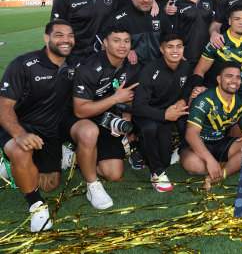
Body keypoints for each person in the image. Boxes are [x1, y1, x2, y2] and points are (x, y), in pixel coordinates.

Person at [0, 20, 76, 232]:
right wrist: (20, 134)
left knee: (49, 184)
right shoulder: (23, 63)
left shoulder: (74, 65)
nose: (66, 40)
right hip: (18, 125)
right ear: (46, 38)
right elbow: (4, 106)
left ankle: (16, 164)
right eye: (59, 35)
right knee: (20, 149)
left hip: (50, 131)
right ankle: (36, 205)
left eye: (70, 36)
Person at [65, 24, 141, 210]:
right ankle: (92, 186)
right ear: (105, 43)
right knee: (90, 132)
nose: (122, 46)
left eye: (126, 41)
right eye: (116, 41)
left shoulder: (130, 66)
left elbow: (128, 99)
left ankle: (73, 157)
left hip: (105, 119)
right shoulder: (89, 68)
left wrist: (125, 121)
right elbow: (80, 111)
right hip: (77, 118)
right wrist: (115, 98)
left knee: (114, 173)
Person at [132, 34, 193, 192]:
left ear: (183, 48)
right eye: (169, 46)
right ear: (161, 49)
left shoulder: (185, 66)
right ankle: (156, 173)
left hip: (166, 116)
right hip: (146, 115)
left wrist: (184, 100)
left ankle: (142, 149)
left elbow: (188, 86)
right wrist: (164, 115)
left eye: (179, 46)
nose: (175, 50)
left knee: (165, 160)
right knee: (150, 130)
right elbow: (138, 106)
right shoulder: (150, 70)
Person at [180, 61, 242, 185]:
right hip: (197, 145)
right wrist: (210, 160)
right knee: (191, 164)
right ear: (219, 79)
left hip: (220, 142)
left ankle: (221, 173)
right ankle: (220, 164)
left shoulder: (241, 103)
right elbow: (191, 135)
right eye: (229, 76)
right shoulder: (204, 99)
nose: (234, 80)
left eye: (238, 77)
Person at [193, 6, 242, 102]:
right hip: (222, 98)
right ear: (230, 21)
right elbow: (200, 70)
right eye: (236, 19)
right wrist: (197, 87)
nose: (241, 22)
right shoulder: (217, 41)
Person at [103, 0, 172, 66]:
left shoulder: (160, 15)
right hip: (131, 70)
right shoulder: (119, 18)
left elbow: (170, 39)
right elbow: (105, 43)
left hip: (157, 69)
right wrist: (124, 50)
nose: (147, 0)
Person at [172, 0, 214, 67]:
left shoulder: (208, 0)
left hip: (208, 56)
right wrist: (177, 51)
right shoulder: (176, 3)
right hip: (186, 57)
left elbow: (214, 23)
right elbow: (171, 32)